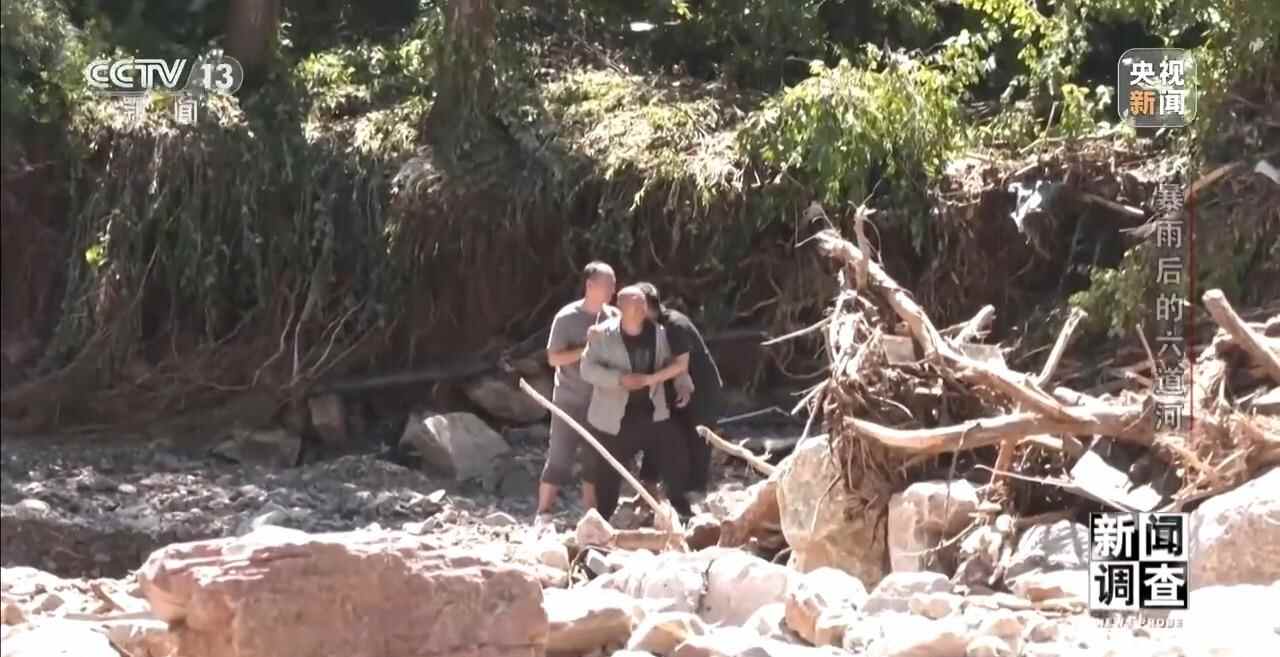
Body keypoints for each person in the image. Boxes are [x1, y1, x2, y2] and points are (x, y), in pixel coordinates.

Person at [579, 285, 696, 521]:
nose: (642, 309)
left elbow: (671, 363)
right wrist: (619, 380)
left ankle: (680, 513)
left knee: (673, 456)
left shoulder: (659, 333)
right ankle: (602, 521)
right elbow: (587, 369)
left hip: (652, 411)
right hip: (614, 417)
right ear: (621, 307)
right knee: (609, 473)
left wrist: (682, 382)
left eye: (643, 303)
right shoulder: (602, 335)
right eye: (635, 304)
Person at [538, 261, 619, 522]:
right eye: (607, 284)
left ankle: (591, 518)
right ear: (590, 285)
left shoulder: (614, 318)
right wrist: (587, 347)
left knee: (593, 462)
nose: (612, 290)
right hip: (569, 399)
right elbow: (554, 359)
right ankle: (543, 514)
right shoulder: (567, 317)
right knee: (559, 458)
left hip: (601, 402)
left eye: (613, 284)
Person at [634, 282, 725, 494]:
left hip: (702, 392)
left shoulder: (675, 325)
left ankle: (694, 496)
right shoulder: (649, 327)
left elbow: (680, 365)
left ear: (645, 307)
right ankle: (647, 491)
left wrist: (647, 380)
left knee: (697, 443)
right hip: (673, 391)